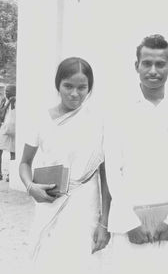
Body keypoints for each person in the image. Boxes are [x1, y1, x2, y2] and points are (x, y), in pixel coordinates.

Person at [104, 34, 168, 274]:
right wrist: (130, 222)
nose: (153, 70)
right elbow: (113, 169)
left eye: (160, 64)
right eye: (146, 63)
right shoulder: (119, 110)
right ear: (136, 66)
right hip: (129, 220)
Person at [19, 57, 111, 274]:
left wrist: (104, 223)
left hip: (85, 206)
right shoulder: (41, 119)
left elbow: (105, 175)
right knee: (46, 263)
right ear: (57, 85)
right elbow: (24, 162)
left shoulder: (98, 121)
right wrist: (30, 186)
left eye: (82, 87)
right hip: (49, 202)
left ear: (90, 88)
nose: (74, 94)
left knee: (81, 263)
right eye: (68, 86)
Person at [0, 84, 16, 181]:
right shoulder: (4, 100)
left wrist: (13, 103)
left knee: (13, 152)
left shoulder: (20, 100)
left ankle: (12, 175)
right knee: (0, 149)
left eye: (9, 91)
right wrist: (8, 103)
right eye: (6, 91)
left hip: (15, 130)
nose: (6, 93)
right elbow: (1, 115)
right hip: (5, 128)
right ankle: (0, 173)